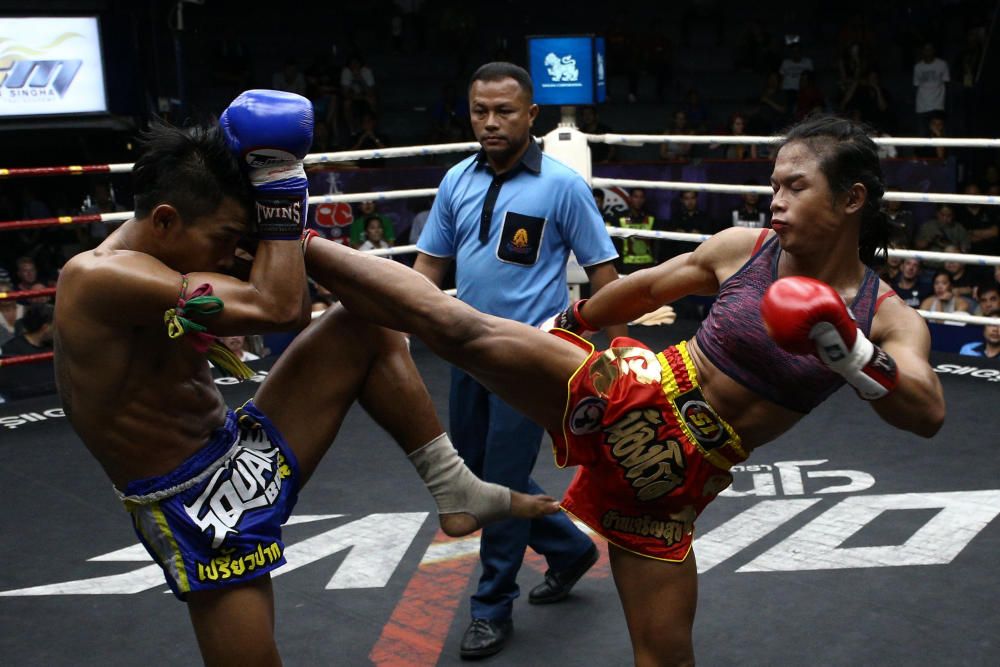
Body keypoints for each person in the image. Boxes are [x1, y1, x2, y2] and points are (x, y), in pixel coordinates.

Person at [299, 113, 945, 666]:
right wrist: (575, 321)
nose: (774, 199)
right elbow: (648, 287)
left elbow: (927, 411)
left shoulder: (882, 313)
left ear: (852, 198)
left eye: (794, 187)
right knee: (459, 328)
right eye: (772, 184)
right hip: (636, 395)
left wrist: (851, 349)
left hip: (672, 483)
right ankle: (291, 237)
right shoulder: (746, 248)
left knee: (667, 656)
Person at [51, 90, 556, 666]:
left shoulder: (177, 257)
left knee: (363, 319)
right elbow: (281, 308)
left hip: (238, 448)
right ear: (166, 219)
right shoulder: (99, 278)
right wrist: (283, 198)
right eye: (224, 238)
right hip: (195, 504)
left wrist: (282, 213)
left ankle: (452, 485)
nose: (230, 254)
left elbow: (356, 297)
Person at [410, 62, 626, 660]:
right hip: (464, 351)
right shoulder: (456, 179)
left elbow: (606, 279)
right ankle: (569, 546)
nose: (490, 122)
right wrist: (394, 328)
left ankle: (491, 607)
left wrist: (624, 360)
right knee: (477, 475)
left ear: (531, 115)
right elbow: (428, 269)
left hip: (533, 355)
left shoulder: (561, 186)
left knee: (499, 480)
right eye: (480, 110)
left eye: (504, 111)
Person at [0, 301, 56, 402]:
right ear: (45, 328)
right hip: (26, 404)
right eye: (54, 325)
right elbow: (13, 388)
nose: (57, 329)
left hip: (53, 400)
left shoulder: (54, 346)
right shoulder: (11, 350)